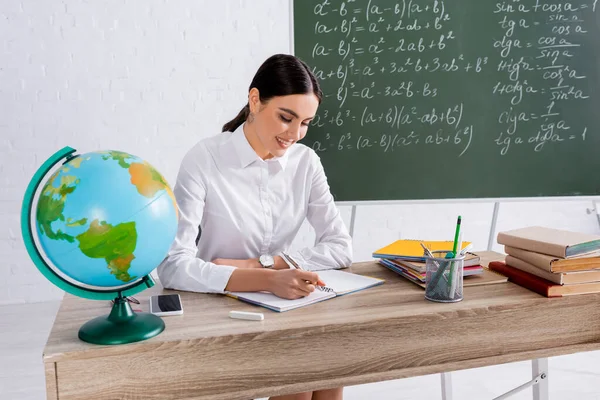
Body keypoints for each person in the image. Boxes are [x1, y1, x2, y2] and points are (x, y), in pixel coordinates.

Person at [157, 53, 352, 400]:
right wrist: (268, 280)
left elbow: (339, 247)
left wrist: (264, 264)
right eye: (286, 118)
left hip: (287, 304)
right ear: (255, 100)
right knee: (300, 373)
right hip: (220, 308)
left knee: (330, 358)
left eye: (305, 122)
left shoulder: (306, 163)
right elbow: (173, 267)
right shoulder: (205, 159)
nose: (295, 134)